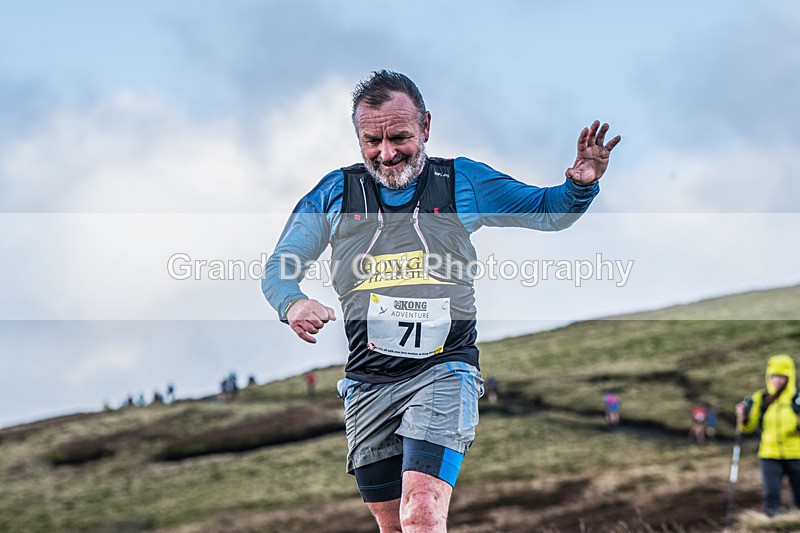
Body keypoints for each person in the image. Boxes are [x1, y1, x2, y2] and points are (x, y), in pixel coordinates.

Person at [262, 70, 620, 532]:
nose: (386, 154)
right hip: (368, 384)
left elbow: (547, 212)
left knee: (423, 510)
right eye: (372, 140)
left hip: (443, 369)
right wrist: (292, 302)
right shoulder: (337, 193)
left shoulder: (460, 183)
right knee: (394, 526)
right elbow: (281, 264)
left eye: (399, 137)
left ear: (426, 127)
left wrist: (579, 185)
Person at [735, 354, 800, 518]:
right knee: (771, 496)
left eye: (782, 377)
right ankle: (772, 526)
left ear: (789, 378)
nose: (777, 381)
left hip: (796, 454)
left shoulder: (797, 399)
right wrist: (743, 416)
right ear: (768, 377)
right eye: (774, 376)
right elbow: (748, 427)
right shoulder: (761, 398)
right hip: (769, 454)